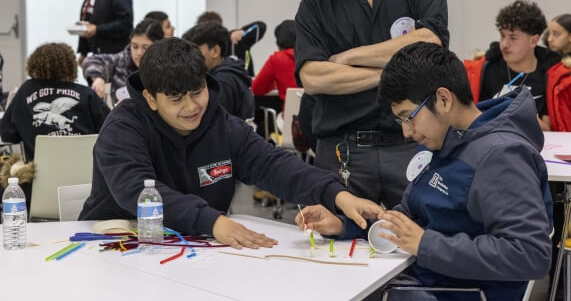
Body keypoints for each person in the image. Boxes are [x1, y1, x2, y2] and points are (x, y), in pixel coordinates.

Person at [297, 42, 553, 301]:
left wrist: (425, 244)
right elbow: (408, 220)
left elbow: (530, 254)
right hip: (422, 280)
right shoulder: (450, 141)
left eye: (409, 117)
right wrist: (343, 225)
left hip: (452, 292)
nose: (406, 132)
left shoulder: (500, 155)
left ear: (443, 99)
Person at [79, 37, 382, 247]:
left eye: (197, 91)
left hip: (199, 250)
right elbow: (136, 190)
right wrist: (212, 221)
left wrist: (336, 194)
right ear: (150, 98)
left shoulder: (221, 124)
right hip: (118, 247)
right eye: (175, 99)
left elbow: (272, 163)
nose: (191, 107)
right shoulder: (123, 128)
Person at [295, 0, 449, 208]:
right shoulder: (315, 4)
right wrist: (393, 71)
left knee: (421, 243)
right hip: (343, 153)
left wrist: (350, 57)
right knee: (337, 250)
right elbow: (313, 77)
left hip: (413, 143)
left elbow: (430, 41)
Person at [464, 0, 571, 133]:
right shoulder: (481, 72)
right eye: (502, 36)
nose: (504, 44)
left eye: (513, 37)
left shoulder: (556, 79)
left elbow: (558, 132)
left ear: (533, 40)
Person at [0, 43, 109, 163]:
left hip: (39, 178)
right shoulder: (87, 94)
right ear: (71, 66)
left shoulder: (26, 90)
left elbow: (8, 134)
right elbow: (111, 131)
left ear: (34, 65)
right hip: (86, 177)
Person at [82, 19, 164, 105]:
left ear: (157, 48)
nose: (139, 53)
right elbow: (90, 61)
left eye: (145, 48)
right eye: (135, 46)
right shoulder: (121, 61)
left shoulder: (165, 67)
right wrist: (98, 79)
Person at [182, 22, 255, 120]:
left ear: (215, 51)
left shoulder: (222, 81)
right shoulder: (231, 70)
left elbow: (216, 124)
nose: (189, 57)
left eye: (194, 51)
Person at [197, 11, 267, 76]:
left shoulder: (236, 40)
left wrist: (240, 32)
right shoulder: (200, 50)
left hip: (245, 82)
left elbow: (260, 26)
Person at [251, 20, 298, 103]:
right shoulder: (314, 56)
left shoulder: (277, 59)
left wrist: (275, 83)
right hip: (317, 113)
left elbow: (257, 89)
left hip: (291, 114)